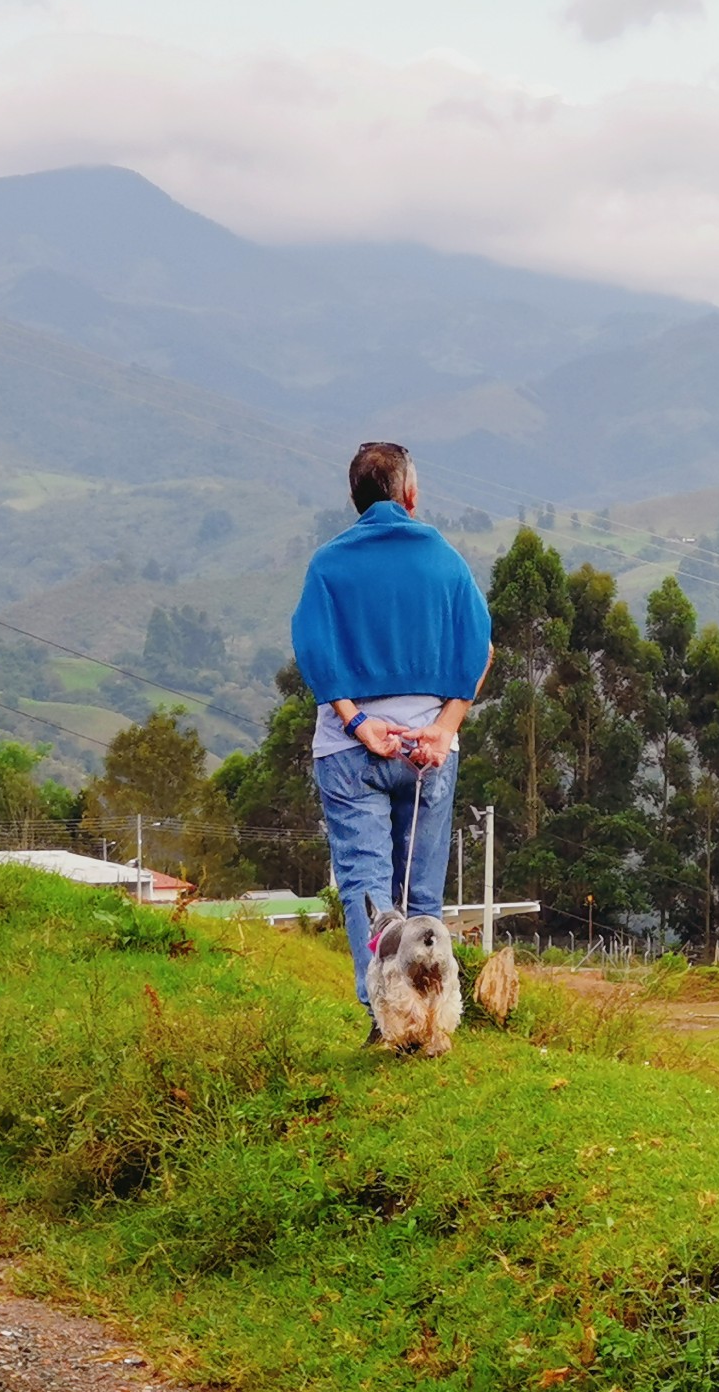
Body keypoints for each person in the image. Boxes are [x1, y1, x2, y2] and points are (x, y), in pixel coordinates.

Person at [291, 442, 492, 1043]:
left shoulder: (328, 564)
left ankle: (387, 1015)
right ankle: (432, 1017)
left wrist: (357, 721)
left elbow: (313, 650)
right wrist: (444, 727)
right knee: (420, 890)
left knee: (368, 885)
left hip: (352, 750)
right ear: (410, 494)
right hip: (428, 751)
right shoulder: (445, 559)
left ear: (355, 499)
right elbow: (479, 648)